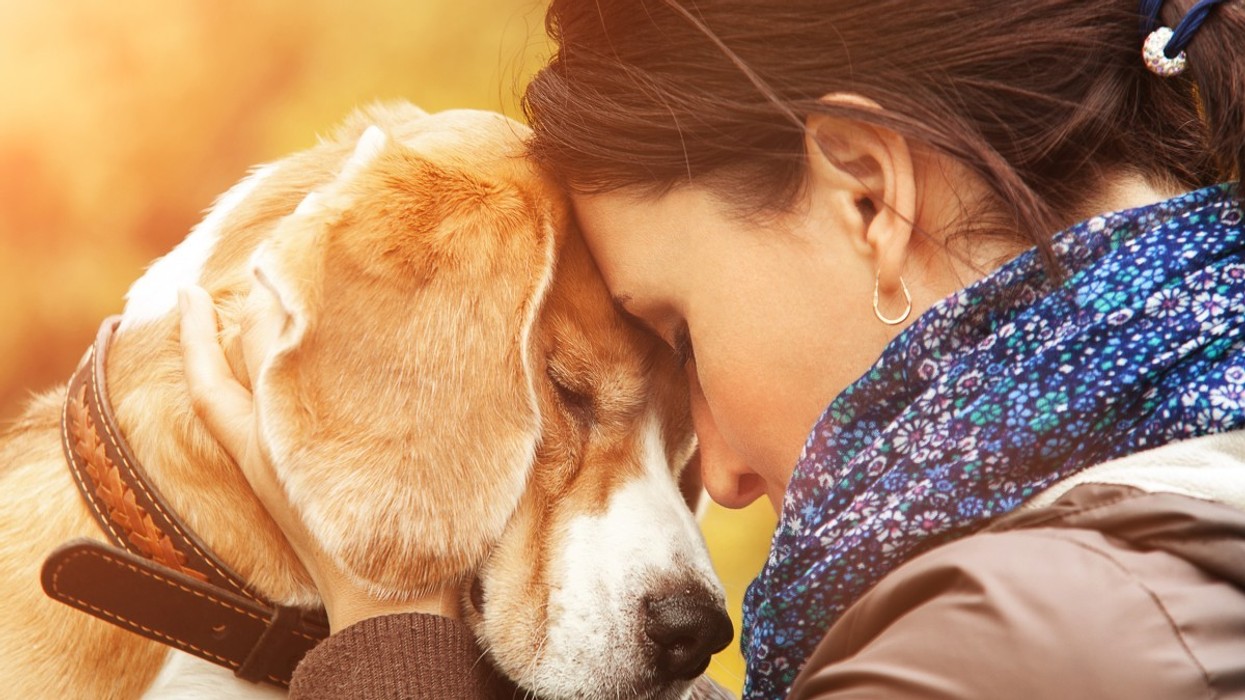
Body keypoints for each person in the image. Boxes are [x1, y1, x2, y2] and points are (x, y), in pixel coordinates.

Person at [179, 0, 1245, 697]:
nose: (724, 481)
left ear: (869, 196)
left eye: (681, 334)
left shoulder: (1007, 649)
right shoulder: (1180, 506)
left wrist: (391, 635)